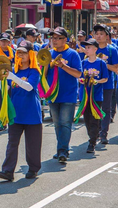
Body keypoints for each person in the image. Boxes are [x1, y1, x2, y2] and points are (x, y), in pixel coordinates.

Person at [0, 40, 42, 181]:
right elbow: (8, 88)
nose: (20, 55)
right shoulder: (14, 71)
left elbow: (29, 87)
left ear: (30, 54)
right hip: (16, 113)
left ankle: (33, 169)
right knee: (12, 143)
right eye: (18, 53)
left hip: (32, 113)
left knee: (32, 145)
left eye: (23, 53)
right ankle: (8, 171)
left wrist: (11, 76)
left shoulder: (34, 71)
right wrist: (1, 81)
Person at [46, 27, 82, 162]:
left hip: (68, 95)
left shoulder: (73, 54)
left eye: (58, 38)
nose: (54, 40)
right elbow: (42, 74)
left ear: (65, 40)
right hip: (53, 95)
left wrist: (63, 66)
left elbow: (78, 74)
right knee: (57, 124)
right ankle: (61, 148)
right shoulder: (48, 54)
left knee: (65, 123)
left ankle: (63, 151)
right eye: (53, 38)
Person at [77, 38, 109, 153]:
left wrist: (97, 81)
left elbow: (105, 78)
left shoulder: (101, 63)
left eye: (89, 47)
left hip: (96, 96)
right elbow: (79, 76)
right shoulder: (83, 62)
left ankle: (92, 142)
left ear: (95, 49)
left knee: (95, 119)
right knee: (87, 119)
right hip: (84, 95)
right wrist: (81, 80)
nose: (87, 49)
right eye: (86, 47)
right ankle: (92, 136)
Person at [93, 24, 118, 145]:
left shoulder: (111, 50)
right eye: (96, 34)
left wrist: (102, 63)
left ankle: (104, 133)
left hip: (107, 84)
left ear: (107, 36)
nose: (98, 36)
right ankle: (95, 132)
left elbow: (115, 68)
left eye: (101, 34)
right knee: (94, 108)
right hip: (93, 84)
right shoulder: (91, 48)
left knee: (106, 109)